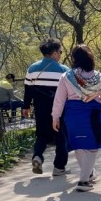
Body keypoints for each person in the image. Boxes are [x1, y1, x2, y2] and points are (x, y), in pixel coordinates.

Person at [52, 44, 101, 192]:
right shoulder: (97, 77)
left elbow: (59, 100)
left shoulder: (67, 76)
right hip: (91, 114)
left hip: (71, 115)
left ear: (74, 58)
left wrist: (55, 117)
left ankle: (88, 173)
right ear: (90, 57)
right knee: (92, 147)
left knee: (79, 145)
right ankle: (83, 181)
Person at [23, 39, 70, 175]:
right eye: (60, 52)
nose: (60, 54)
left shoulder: (32, 69)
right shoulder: (64, 70)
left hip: (40, 109)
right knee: (61, 137)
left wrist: (26, 107)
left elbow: (28, 90)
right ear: (54, 53)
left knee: (42, 135)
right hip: (60, 110)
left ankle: (37, 156)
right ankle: (59, 167)